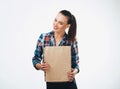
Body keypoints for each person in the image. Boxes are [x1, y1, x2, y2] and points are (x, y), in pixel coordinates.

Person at [32, 10, 79, 89]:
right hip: (51, 84)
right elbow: (35, 58)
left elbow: (76, 64)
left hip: (69, 84)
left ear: (68, 26)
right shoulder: (43, 37)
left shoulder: (71, 41)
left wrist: (74, 72)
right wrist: (40, 66)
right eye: (55, 20)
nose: (55, 24)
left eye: (60, 23)